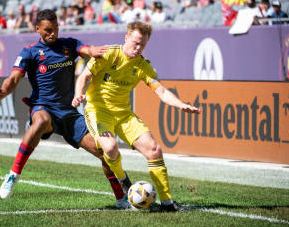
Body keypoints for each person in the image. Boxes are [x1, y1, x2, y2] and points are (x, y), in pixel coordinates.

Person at [0, 9, 132, 209]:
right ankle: (13, 175)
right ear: (38, 28)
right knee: (40, 122)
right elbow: (13, 78)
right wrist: (4, 90)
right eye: (48, 30)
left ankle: (120, 200)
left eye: (56, 28)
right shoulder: (29, 51)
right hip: (44, 107)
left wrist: (93, 51)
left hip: (70, 114)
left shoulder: (69, 44)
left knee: (104, 151)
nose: (53, 33)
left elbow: (86, 50)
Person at [72, 21, 201, 212]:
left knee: (154, 150)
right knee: (111, 147)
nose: (138, 48)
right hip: (98, 111)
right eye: (135, 42)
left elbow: (162, 92)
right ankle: (123, 179)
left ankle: (167, 204)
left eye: (143, 45)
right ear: (126, 38)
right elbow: (84, 77)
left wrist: (181, 104)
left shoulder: (143, 65)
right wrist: (78, 95)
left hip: (124, 114)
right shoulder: (108, 53)